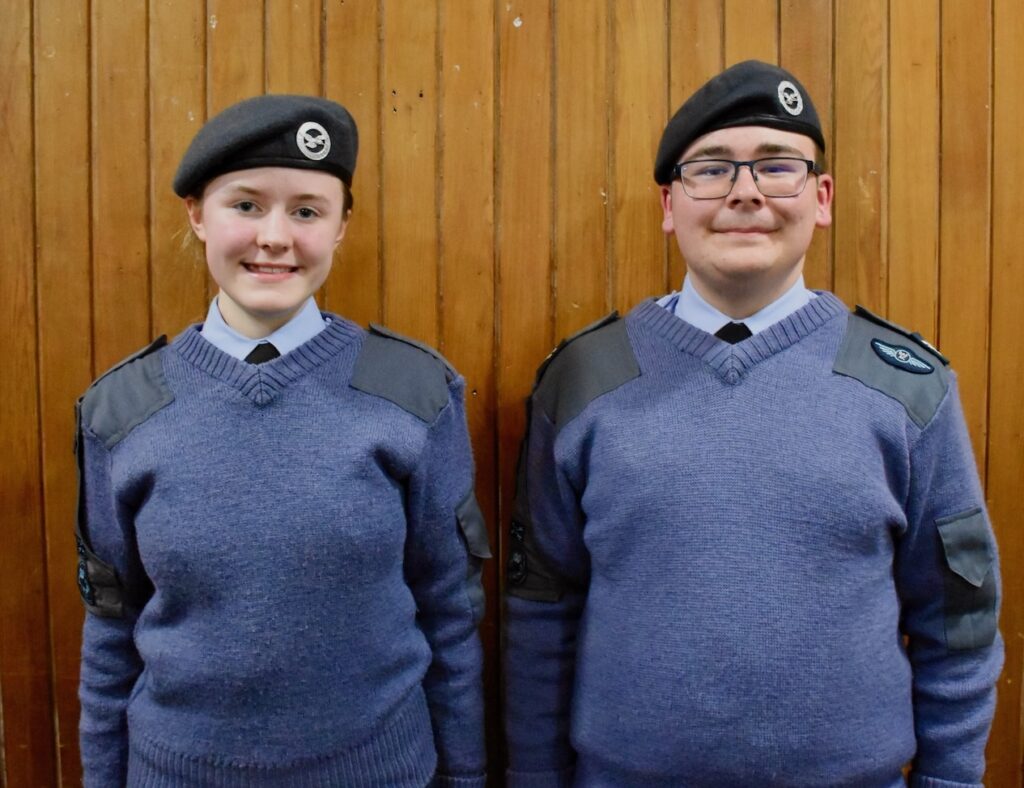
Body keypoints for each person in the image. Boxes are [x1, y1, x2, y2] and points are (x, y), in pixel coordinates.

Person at [504, 60, 1002, 787]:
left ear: (822, 197)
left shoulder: (905, 386)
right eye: (711, 170)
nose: (745, 193)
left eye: (777, 167)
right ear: (670, 204)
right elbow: (540, 616)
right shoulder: (583, 381)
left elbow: (957, 622)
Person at [75, 94, 489, 787]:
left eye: (306, 210)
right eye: (245, 205)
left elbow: (449, 614)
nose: (275, 237)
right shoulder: (122, 410)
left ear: (341, 226)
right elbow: (111, 631)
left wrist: (468, 776)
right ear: (196, 215)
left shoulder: (414, 392)